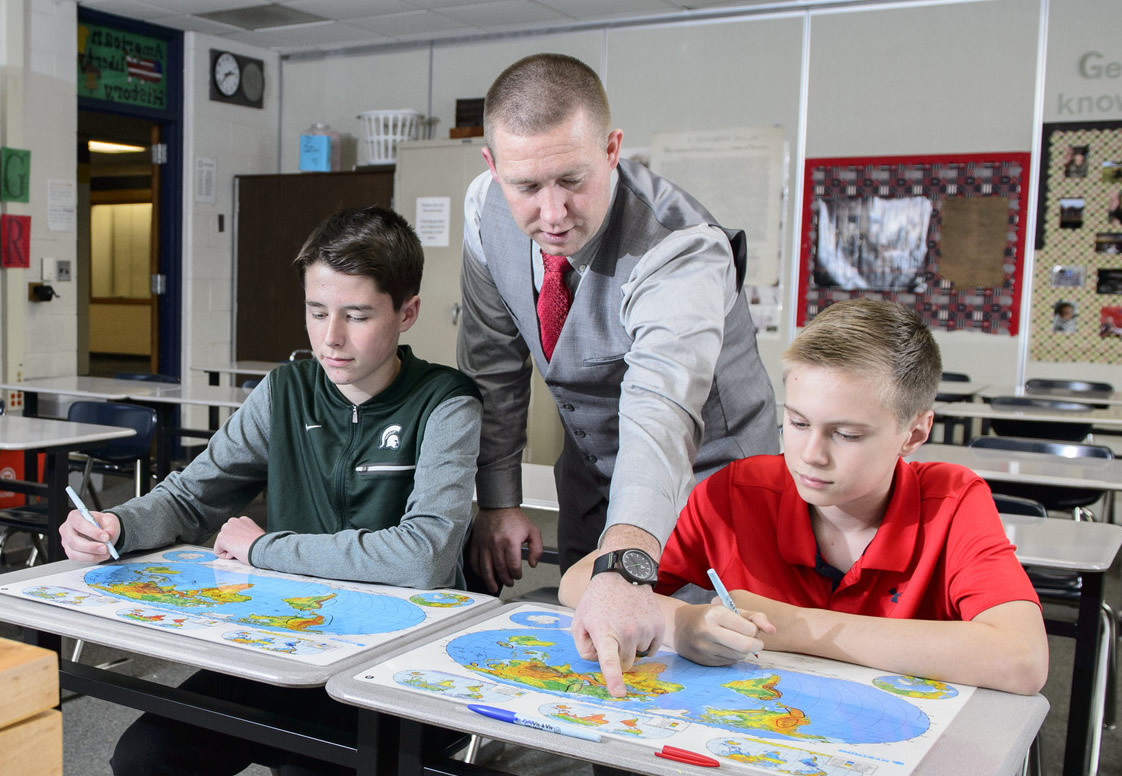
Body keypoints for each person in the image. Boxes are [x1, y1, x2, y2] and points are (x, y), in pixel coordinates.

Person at [60, 205, 483, 775]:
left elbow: (425, 557)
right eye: (316, 312)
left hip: (396, 661)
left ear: (407, 313)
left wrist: (265, 549)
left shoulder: (445, 401)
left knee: (306, 769)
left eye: (356, 316)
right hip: (289, 644)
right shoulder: (284, 391)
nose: (330, 338)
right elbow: (191, 496)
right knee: (145, 758)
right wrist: (120, 524)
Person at [457, 52, 779, 695]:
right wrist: (497, 499)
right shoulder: (483, 210)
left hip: (715, 486)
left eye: (573, 179)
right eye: (526, 187)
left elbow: (662, 409)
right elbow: (492, 363)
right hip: (593, 476)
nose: (552, 213)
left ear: (612, 148)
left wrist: (626, 566)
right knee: (600, 671)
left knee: (701, 681)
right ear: (493, 168)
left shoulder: (681, 247)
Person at [560, 299, 1049, 696]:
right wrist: (681, 622)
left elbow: (1022, 659)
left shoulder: (954, 500)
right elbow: (581, 582)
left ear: (914, 433)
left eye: (848, 435)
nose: (810, 455)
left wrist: (793, 627)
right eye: (796, 423)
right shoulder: (738, 492)